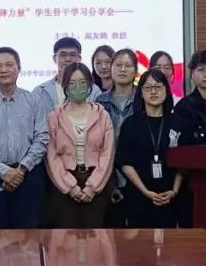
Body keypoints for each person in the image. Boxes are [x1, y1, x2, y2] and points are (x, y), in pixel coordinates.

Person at [0, 47, 49, 229]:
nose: (4, 70)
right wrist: (3, 171)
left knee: (27, 236)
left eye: (9, 65)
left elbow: (42, 137)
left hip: (27, 176)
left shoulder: (34, 100)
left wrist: (20, 169)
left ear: (18, 68)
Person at [45, 63, 114, 227]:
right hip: (64, 184)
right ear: (65, 85)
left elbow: (108, 154)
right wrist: (70, 187)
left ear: (90, 84)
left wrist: (92, 187)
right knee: (65, 237)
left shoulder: (102, 115)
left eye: (82, 82)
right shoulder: (55, 116)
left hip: (95, 181)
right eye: (72, 83)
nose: (78, 87)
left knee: (95, 237)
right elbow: (51, 156)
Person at [117, 69, 182, 228]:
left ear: (166, 90)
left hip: (171, 198)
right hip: (138, 198)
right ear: (140, 93)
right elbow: (125, 163)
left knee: (170, 242)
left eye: (158, 87)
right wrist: (145, 192)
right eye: (147, 88)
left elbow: (184, 162)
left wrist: (174, 191)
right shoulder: (131, 124)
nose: (153, 91)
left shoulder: (178, 122)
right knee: (140, 243)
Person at [98, 48, 139, 223]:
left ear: (135, 71)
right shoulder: (100, 102)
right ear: (111, 68)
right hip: (107, 175)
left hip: (138, 173)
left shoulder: (143, 99)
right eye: (118, 65)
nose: (123, 69)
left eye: (128, 66)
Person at [34, 37, 101, 111]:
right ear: (54, 58)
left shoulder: (93, 90)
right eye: (63, 55)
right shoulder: (40, 91)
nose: (68, 59)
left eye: (72, 55)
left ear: (79, 59)